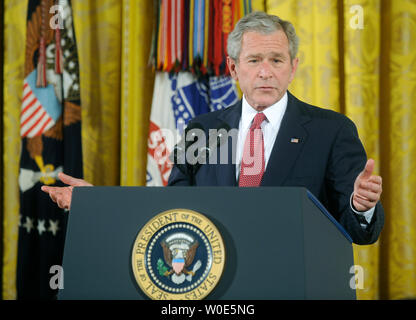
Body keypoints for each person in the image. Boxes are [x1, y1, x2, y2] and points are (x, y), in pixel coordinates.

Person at [42, 11, 384, 245]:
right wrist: (96, 202)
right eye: (254, 61)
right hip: (213, 287)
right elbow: (170, 212)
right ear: (234, 69)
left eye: (277, 60)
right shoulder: (201, 130)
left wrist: (360, 205)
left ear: (293, 67)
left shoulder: (332, 130)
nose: (266, 71)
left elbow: (361, 233)